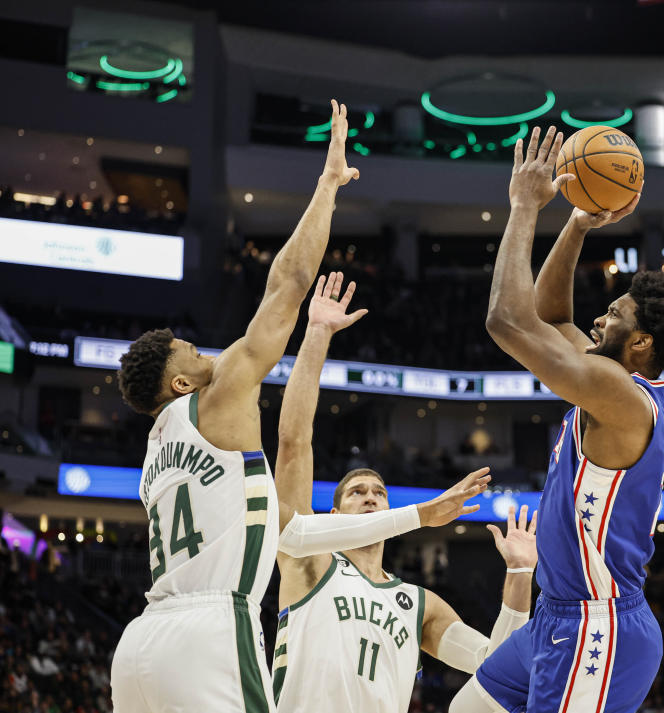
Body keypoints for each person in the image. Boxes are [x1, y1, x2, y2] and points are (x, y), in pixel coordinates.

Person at [110, 102, 359, 713]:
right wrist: (327, 185)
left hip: (140, 644)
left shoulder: (155, 448)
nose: (201, 349)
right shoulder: (217, 396)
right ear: (178, 385)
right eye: (188, 351)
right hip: (211, 630)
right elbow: (288, 284)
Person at [450, 126, 664, 713]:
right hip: (556, 615)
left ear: (639, 342)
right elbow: (548, 311)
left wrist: (522, 207)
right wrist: (577, 223)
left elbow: (509, 322)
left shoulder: (620, 397)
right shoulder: (617, 382)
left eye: (611, 316)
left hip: (596, 627)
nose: (596, 322)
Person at [268, 273, 538, 713]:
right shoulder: (309, 562)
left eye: (379, 491)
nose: (371, 496)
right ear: (332, 515)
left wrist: (520, 575)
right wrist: (317, 333)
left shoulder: (419, 604)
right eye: (356, 492)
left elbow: (497, 667)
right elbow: (294, 441)